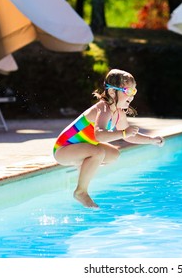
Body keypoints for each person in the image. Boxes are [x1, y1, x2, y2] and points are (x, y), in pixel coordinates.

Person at [53, 69, 165, 208]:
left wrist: (151, 140)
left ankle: (82, 165)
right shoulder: (104, 109)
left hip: (81, 147)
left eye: (134, 91)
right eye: (128, 91)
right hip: (63, 149)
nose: (132, 96)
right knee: (98, 153)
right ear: (112, 92)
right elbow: (99, 135)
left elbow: (131, 136)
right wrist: (123, 133)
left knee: (113, 154)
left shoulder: (118, 113)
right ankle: (81, 191)